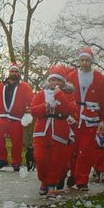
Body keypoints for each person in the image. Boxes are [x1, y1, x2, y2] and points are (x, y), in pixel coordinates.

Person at [67, 46, 104, 189]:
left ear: (91, 61)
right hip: (74, 117)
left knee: (85, 150)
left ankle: (82, 180)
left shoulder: (98, 77)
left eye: (87, 60)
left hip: (90, 118)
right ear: (79, 61)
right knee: (73, 149)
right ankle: (73, 174)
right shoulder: (71, 76)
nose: (85, 63)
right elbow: (65, 97)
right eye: (82, 60)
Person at [29, 67, 78, 197]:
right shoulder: (41, 94)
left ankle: (52, 184)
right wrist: (44, 106)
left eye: (57, 80)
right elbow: (33, 111)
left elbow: (68, 110)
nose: (54, 82)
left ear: (63, 82)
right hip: (41, 131)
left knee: (56, 160)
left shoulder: (68, 95)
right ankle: (43, 180)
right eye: (52, 79)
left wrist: (58, 95)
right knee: (40, 158)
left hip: (59, 131)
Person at [0, 62, 32, 171]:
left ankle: (16, 162)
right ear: (9, 72)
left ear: (19, 73)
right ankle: (2, 159)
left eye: (16, 71)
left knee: (16, 142)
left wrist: (32, 111)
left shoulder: (24, 86)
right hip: (1, 117)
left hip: (16, 119)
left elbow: (31, 100)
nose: (14, 73)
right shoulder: (2, 85)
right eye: (12, 71)